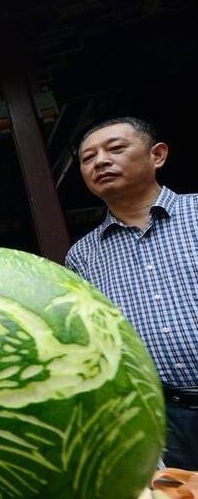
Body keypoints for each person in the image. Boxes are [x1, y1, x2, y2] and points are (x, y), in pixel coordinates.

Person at [65, 117, 198, 470]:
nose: (100, 162)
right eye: (87, 158)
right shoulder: (81, 255)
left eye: (115, 148)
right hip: (156, 414)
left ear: (157, 155)